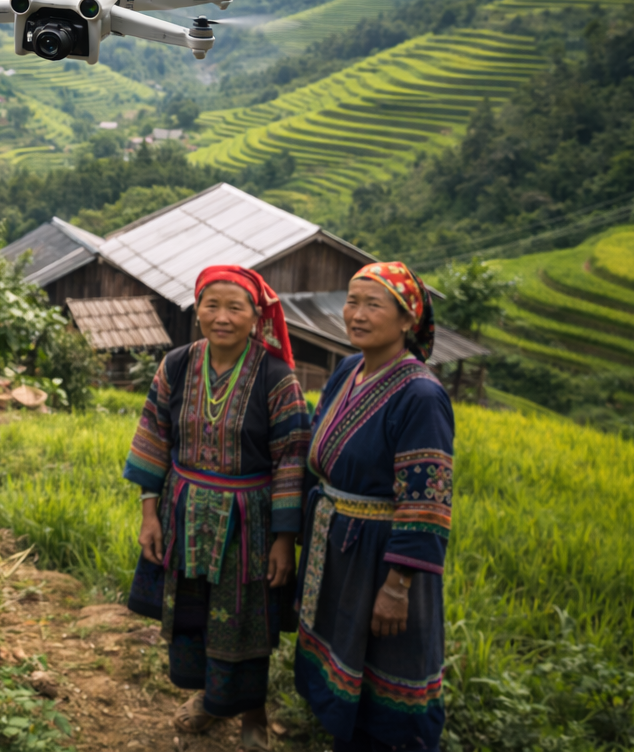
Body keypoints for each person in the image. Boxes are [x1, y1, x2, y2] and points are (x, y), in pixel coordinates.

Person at [124, 266, 311, 752]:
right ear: (197, 309)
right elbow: (153, 437)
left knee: (246, 620)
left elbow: (291, 458)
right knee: (197, 612)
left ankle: (254, 714)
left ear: (256, 316)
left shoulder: (277, 377)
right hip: (183, 514)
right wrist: (149, 512)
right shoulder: (178, 365)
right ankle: (210, 702)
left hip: (247, 525)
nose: (221, 317)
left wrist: (284, 540)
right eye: (212, 305)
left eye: (236, 307)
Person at [294, 262, 454, 752]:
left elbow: (426, 501)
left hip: (381, 560)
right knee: (343, 659)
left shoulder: (420, 395)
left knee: (388, 666)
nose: (355, 315)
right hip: (337, 545)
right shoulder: (347, 370)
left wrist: (398, 585)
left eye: (373, 304)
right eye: (351, 301)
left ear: (408, 320)